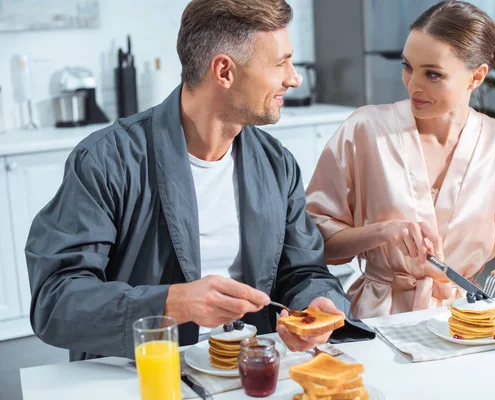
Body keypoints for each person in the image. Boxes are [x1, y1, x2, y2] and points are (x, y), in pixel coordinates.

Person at [25, 0, 374, 361]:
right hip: (145, 372)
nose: (294, 77)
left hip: (251, 370)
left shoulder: (277, 164)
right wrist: (172, 303)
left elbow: (304, 270)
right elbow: (55, 301)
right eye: (280, 63)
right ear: (224, 71)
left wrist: (316, 303)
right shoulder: (106, 160)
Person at [305, 0, 495, 319]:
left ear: (476, 77)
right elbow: (312, 242)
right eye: (407, 66)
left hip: (464, 321)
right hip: (378, 319)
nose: (413, 85)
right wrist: (382, 231)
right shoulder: (365, 130)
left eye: (432, 74)